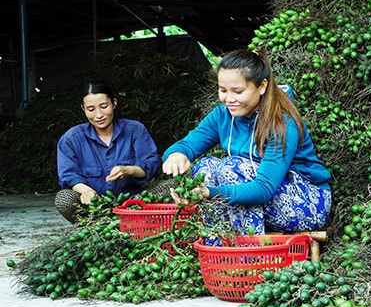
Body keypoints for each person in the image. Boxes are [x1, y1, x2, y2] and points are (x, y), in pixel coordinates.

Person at [162, 49, 332, 238]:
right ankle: (219, 250)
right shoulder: (221, 115)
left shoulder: (282, 123)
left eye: (238, 91)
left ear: (261, 86)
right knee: (205, 166)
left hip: (307, 203)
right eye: (223, 90)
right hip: (262, 201)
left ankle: (248, 256)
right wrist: (177, 155)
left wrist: (209, 193)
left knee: (231, 167)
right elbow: (187, 145)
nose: (229, 99)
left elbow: (264, 189)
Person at [55, 81, 161, 223]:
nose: (99, 115)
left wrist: (130, 170)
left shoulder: (135, 130)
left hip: (134, 203)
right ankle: (92, 227)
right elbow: (68, 175)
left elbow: (151, 165)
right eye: (91, 109)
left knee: (170, 186)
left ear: (114, 103)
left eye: (104, 107)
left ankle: (138, 222)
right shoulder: (71, 139)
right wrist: (86, 191)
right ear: (83, 109)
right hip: (93, 207)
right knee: (63, 199)